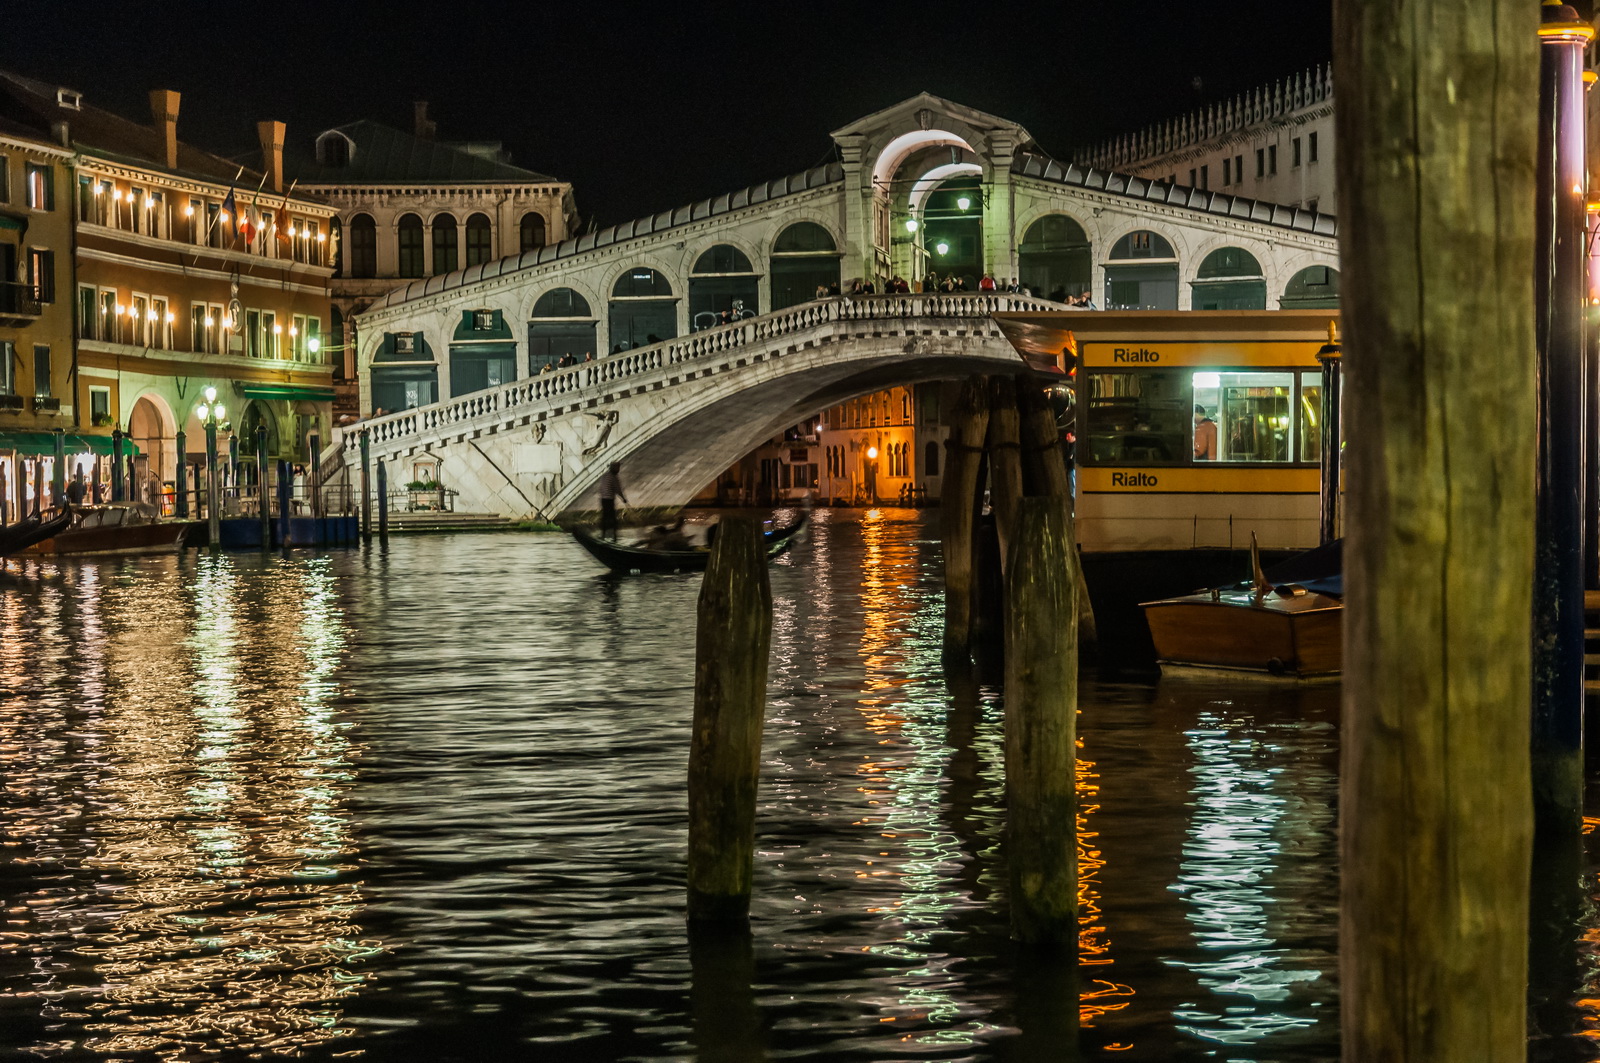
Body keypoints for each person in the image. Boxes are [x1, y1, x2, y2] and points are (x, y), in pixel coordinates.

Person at [598, 460, 628, 540]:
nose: (619, 469)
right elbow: (617, 489)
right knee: (612, 518)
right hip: (609, 500)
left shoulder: (605, 476)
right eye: (618, 467)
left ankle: (603, 535)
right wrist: (623, 499)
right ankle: (614, 536)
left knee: (605, 517)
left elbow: (601, 488)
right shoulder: (613, 477)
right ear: (614, 468)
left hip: (603, 499)